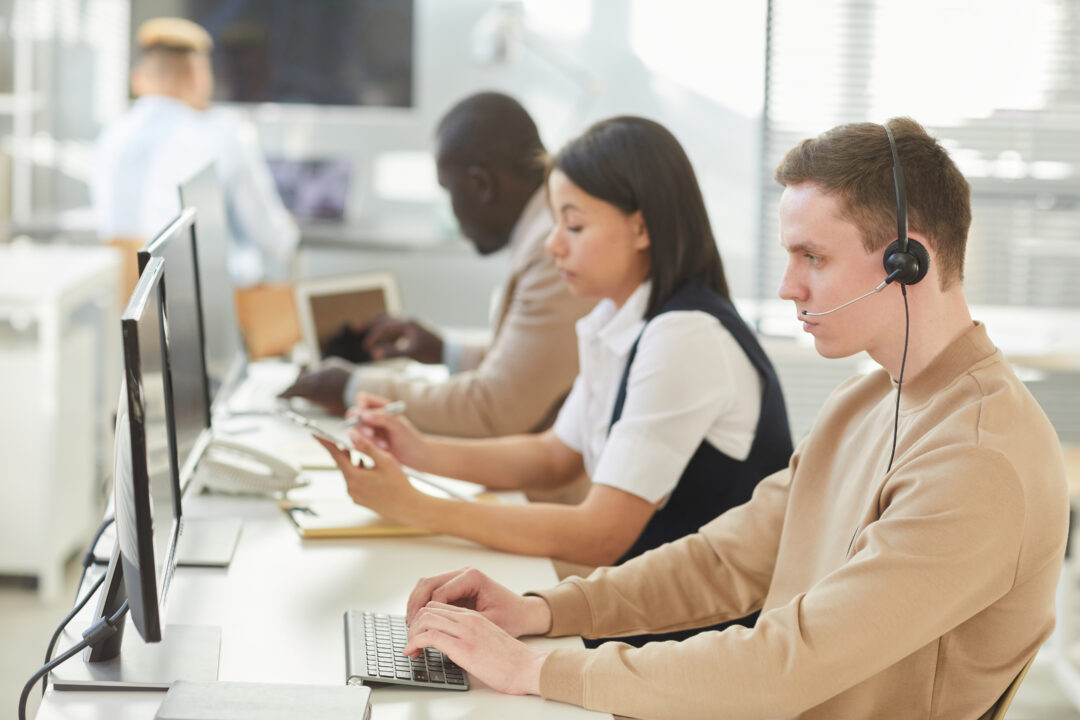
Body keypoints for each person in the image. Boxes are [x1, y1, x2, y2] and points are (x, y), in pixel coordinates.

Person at [393, 118, 1070, 719]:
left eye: (814, 257)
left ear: (905, 261)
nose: (787, 286)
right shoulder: (867, 402)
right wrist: (543, 610)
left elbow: (791, 663)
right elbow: (726, 561)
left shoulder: (980, 460)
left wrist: (536, 668)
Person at [317, 117, 793, 645]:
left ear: (641, 228)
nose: (552, 246)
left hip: (690, 638)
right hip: (644, 614)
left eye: (573, 225)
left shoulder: (685, 337)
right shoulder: (623, 321)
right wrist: (419, 450)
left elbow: (599, 535)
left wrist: (416, 506)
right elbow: (553, 455)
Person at [280, 92, 595, 438]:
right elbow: (532, 369)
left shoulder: (551, 248)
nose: (451, 211)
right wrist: (444, 350)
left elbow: (493, 409)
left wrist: (353, 387)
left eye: (448, 191)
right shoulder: (544, 227)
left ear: (481, 185)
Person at [91, 17, 298, 286]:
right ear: (196, 76)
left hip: (131, 308)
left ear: (139, 80)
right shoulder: (222, 134)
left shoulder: (109, 138)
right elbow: (275, 241)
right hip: (206, 310)